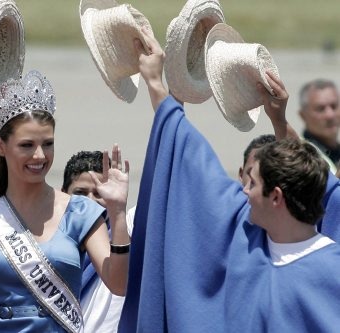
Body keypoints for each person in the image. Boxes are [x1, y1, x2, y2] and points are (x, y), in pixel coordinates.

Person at [118, 28, 340, 332]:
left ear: (276, 197)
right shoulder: (246, 234)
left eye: (253, 184)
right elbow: (191, 159)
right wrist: (156, 83)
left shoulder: (331, 272)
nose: (243, 190)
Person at [0, 70, 130, 333]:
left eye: (47, 144)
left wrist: (119, 213)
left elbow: (118, 283)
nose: (39, 155)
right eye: (26, 145)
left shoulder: (79, 211)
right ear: (2, 146)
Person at [62, 150, 134, 333]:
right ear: (63, 195)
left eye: (99, 193)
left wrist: (118, 210)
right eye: (80, 192)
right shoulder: (46, 244)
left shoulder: (128, 232)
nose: (90, 201)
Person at [298, 79, 340, 176]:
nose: (330, 115)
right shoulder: (298, 154)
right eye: (320, 109)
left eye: (334, 106)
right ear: (303, 115)